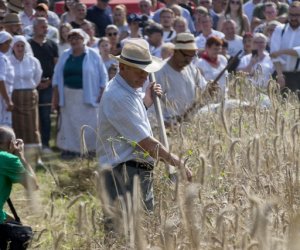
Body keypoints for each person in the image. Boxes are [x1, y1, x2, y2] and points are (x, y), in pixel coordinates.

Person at [97, 38, 192, 230]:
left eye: (146, 72)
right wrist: (177, 163)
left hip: (134, 171)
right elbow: (146, 143)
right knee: (126, 232)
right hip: (123, 174)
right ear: (123, 67)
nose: (144, 77)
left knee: (140, 229)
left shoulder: (128, 90)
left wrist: (146, 100)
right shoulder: (118, 96)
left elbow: (129, 118)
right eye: (139, 73)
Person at [52, 29, 108, 159]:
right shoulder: (65, 55)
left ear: (84, 40)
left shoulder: (93, 54)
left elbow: (103, 75)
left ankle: (90, 150)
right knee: (69, 123)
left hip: (89, 94)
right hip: (68, 94)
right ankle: (70, 150)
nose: (74, 41)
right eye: (71, 38)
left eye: (77, 38)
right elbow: (56, 76)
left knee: (89, 123)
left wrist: (102, 91)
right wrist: (56, 96)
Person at [154, 33, 209, 124]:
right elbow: (153, 106)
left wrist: (210, 89)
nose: (188, 60)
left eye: (191, 56)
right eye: (185, 56)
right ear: (175, 51)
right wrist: (166, 125)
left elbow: (204, 88)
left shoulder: (191, 68)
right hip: (170, 125)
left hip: (191, 123)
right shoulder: (159, 72)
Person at [8, 35, 43, 168]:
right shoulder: (8, 60)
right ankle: (19, 155)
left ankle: (36, 157)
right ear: (13, 47)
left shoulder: (33, 61)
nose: (20, 48)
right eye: (17, 45)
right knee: (17, 126)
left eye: (22, 45)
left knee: (32, 125)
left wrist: (31, 86)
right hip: (15, 95)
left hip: (29, 95)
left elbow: (38, 75)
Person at [0, 126, 38, 239]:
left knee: (13, 223)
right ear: (12, 144)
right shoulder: (7, 159)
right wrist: (20, 155)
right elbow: (33, 185)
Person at [29, 17, 58, 154]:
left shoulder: (52, 44)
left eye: (46, 27)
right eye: (42, 26)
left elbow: (56, 66)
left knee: (45, 116)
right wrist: (36, 82)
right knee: (33, 116)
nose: (45, 29)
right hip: (32, 85)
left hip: (48, 85)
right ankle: (34, 144)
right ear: (34, 28)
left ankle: (45, 144)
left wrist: (50, 81)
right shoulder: (28, 44)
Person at [270, 1, 300, 96]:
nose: (294, 18)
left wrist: (282, 52)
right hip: (280, 75)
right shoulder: (279, 29)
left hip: (297, 76)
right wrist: (280, 75)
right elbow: (274, 54)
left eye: (297, 15)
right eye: (291, 15)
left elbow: (299, 51)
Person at [0, 31, 14, 126]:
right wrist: (8, 100)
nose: (9, 46)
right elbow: (1, 80)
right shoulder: (1, 59)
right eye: (7, 43)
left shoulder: (4, 57)